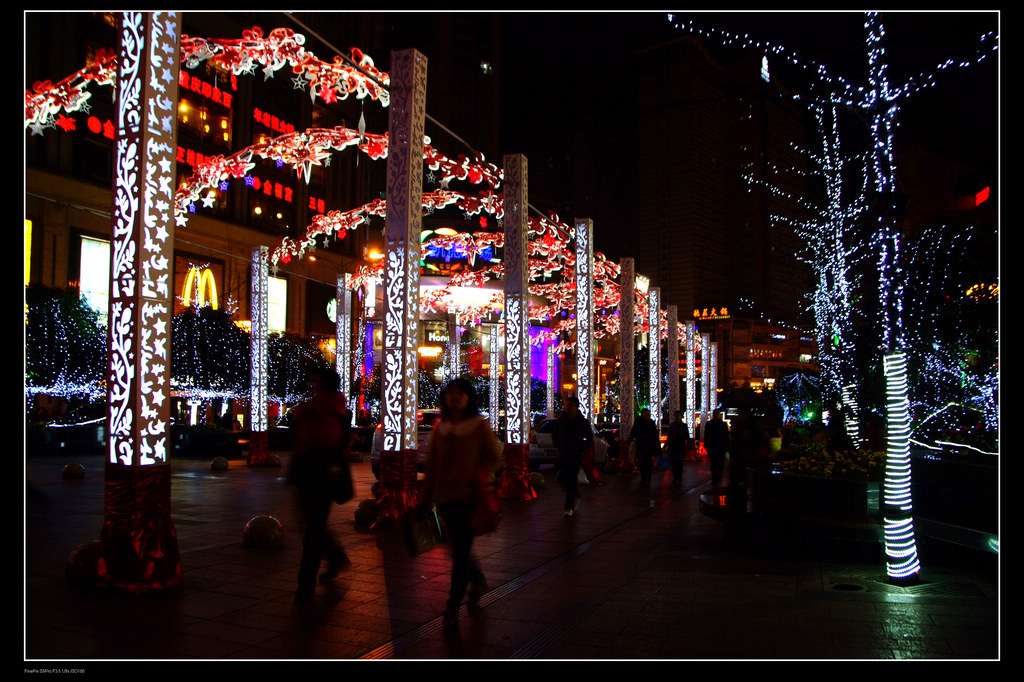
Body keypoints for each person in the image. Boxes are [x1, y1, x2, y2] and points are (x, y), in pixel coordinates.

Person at [421, 377, 503, 630]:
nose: (454, 397)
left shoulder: (478, 426)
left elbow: (494, 457)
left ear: (469, 398)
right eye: (450, 393)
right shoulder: (440, 427)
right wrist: (424, 497)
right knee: (458, 548)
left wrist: (477, 474)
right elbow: (432, 466)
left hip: (469, 498)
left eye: (460, 393)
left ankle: (453, 605)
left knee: (459, 551)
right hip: (445, 498)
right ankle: (477, 580)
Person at [288, 368, 353, 602]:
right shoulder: (340, 410)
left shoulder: (317, 410)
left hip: (315, 474)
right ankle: (333, 557)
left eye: (316, 381)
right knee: (313, 526)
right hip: (324, 475)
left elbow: (303, 443)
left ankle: (306, 583)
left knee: (312, 529)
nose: (312, 384)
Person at [552, 396, 593, 518]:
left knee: (570, 479)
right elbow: (555, 435)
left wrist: (581, 448)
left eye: (571, 405)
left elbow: (589, 438)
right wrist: (559, 445)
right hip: (564, 453)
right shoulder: (560, 421)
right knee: (563, 478)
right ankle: (575, 495)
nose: (568, 408)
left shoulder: (582, 422)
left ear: (576, 407)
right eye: (567, 405)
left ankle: (568, 507)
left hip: (575, 455)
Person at [628, 407, 659, 484]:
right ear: (642, 414)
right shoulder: (639, 422)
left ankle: (647, 477)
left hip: (648, 446)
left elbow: (655, 434)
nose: (647, 415)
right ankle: (644, 477)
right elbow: (634, 431)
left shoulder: (651, 422)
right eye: (646, 413)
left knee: (648, 462)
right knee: (642, 462)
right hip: (641, 445)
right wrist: (631, 439)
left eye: (648, 414)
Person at [703, 410, 730, 488]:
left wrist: (727, 446)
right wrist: (707, 445)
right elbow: (706, 435)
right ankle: (715, 478)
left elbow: (726, 436)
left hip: (720, 446)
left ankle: (718, 478)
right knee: (714, 464)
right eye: (714, 414)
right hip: (713, 447)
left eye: (717, 414)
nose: (715, 415)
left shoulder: (723, 424)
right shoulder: (709, 424)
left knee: (720, 463)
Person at [666, 410, 690, 484]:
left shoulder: (684, 426)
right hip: (673, 446)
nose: (677, 417)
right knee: (674, 463)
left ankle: (679, 477)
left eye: (678, 415)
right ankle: (675, 477)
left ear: (680, 416)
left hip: (680, 446)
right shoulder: (672, 425)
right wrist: (666, 444)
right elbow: (669, 436)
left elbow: (687, 436)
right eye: (675, 415)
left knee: (679, 462)